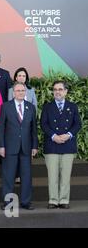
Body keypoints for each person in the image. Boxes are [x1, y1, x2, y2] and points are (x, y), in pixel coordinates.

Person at [41, 80, 81, 209]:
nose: (57, 92)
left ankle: (64, 200)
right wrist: (54, 136)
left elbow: (77, 124)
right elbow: (44, 124)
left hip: (67, 145)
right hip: (52, 145)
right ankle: (53, 200)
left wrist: (68, 134)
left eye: (60, 89)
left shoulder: (73, 106)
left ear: (65, 91)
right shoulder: (47, 106)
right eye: (55, 89)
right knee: (52, 176)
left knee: (65, 176)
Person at [0, 82, 38, 211]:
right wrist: (1, 146)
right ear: (13, 92)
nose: (21, 92)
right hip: (10, 147)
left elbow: (34, 129)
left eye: (23, 90)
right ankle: (8, 203)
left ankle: (26, 202)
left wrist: (34, 146)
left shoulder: (31, 107)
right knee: (9, 176)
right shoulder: (5, 107)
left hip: (26, 147)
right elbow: (1, 128)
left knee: (26, 176)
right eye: (18, 90)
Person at [8, 67, 37, 184]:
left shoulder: (31, 90)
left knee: (25, 153)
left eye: (23, 76)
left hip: (27, 126)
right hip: (14, 126)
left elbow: (34, 106)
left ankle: (23, 176)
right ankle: (16, 175)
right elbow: (9, 107)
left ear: (26, 78)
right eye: (19, 75)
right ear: (15, 77)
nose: (21, 78)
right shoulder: (11, 90)